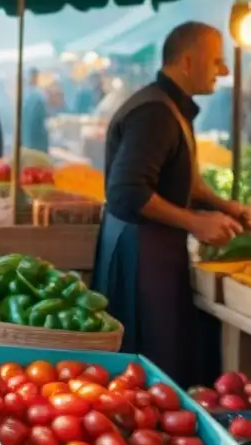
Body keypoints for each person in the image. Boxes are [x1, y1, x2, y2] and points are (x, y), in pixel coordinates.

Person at [92, 22, 251, 386]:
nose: (224, 71)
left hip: (153, 251)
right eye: (216, 62)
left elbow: (182, 179)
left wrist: (224, 206)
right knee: (149, 362)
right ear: (188, 61)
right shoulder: (155, 114)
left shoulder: (169, 106)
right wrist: (195, 222)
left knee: (167, 355)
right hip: (139, 255)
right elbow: (128, 191)